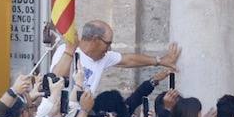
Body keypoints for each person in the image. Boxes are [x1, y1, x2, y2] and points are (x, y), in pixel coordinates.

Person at [50, 19, 181, 94]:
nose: (109, 48)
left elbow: (128, 60)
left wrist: (160, 61)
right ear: (95, 40)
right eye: (108, 43)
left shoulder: (103, 56)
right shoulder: (66, 51)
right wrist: (69, 51)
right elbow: (54, 79)